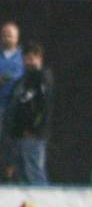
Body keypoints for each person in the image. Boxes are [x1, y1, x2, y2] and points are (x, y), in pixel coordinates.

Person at [3, 41, 54, 185]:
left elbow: (44, 108)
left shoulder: (43, 78)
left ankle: (44, 206)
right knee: (22, 176)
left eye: (32, 58)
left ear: (40, 59)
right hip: (17, 136)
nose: (29, 62)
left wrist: (35, 130)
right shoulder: (21, 81)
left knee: (34, 173)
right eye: (26, 58)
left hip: (33, 137)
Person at [0, 21, 24, 143]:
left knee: (12, 143)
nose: (6, 37)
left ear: (17, 37)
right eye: (4, 34)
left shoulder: (24, 56)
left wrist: (8, 78)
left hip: (16, 107)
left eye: (10, 35)